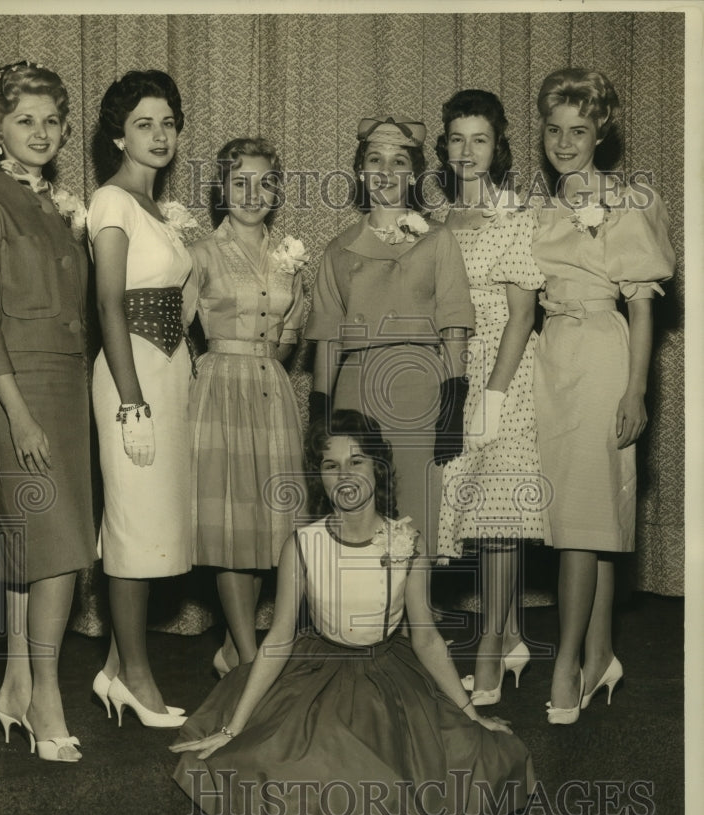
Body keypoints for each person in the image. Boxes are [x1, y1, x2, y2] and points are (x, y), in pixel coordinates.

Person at [170, 410, 535, 815]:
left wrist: (470, 712)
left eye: (356, 461)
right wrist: (233, 725)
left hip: (388, 675)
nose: (344, 475)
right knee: (301, 765)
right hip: (316, 670)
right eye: (330, 464)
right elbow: (278, 640)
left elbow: (427, 636)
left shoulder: (406, 540)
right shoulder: (304, 545)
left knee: (420, 770)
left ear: (378, 467)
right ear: (319, 477)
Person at [0, 61, 96, 762]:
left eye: (50, 120)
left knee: (37, 545)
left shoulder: (52, 205)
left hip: (64, 384)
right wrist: (19, 415)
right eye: (23, 120)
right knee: (60, 546)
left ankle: (14, 684)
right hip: (14, 386)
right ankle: (46, 694)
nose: (40, 133)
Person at [529, 68, 675, 723]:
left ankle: (564, 666)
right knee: (590, 518)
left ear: (601, 133)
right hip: (551, 357)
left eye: (578, 131)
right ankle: (601, 653)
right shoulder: (544, 205)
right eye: (555, 129)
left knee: (579, 527)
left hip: (601, 355)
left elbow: (643, 306)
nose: (564, 142)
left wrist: (637, 390)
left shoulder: (629, 200)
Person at [305, 116, 475, 559]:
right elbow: (326, 338)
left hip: (420, 388)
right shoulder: (338, 248)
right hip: (355, 390)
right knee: (358, 501)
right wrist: (320, 416)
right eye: (375, 160)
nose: (385, 171)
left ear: (414, 172)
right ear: (361, 170)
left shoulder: (439, 240)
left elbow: (454, 324)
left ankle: (420, 621)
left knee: (418, 503)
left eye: (399, 161)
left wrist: (454, 401)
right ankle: (364, 620)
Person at [87, 69, 197, 728]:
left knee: (151, 526)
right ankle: (134, 676)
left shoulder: (159, 210)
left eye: (167, 123)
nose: (158, 136)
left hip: (170, 372)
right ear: (117, 136)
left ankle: (111, 666)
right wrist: (130, 401)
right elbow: (107, 301)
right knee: (131, 529)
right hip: (131, 377)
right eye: (143, 125)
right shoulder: (111, 202)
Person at [433, 90, 546, 704]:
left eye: (479, 139)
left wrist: (495, 397)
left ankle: (490, 654)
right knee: (470, 515)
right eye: (456, 138)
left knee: (499, 517)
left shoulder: (515, 218)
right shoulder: (439, 221)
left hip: (507, 377)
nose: (467, 151)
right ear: (444, 148)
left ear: (497, 147)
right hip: (455, 374)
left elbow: (521, 316)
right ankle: (507, 638)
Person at [186, 137, 307, 675]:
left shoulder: (289, 257)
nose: (252, 194)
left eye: (264, 183)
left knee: (265, 526)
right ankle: (250, 658)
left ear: (277, 190)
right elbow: (171, 331)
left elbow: (289, 335)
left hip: (270, 389)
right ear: (220, 189)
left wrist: (266, 363)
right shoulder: (199, 253)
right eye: (240, 183)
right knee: (231, 525)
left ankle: (234, 649)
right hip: (220, 390)